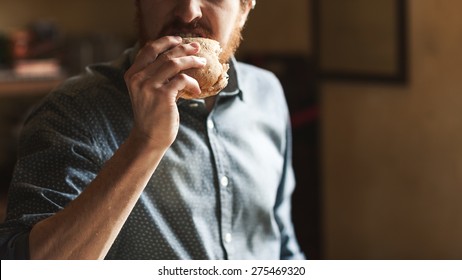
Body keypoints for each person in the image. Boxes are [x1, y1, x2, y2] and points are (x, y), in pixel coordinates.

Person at [0, 0, 305, 260]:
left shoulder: (267, 93)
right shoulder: (70, 111)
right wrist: (146, 143)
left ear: (245, 6)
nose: (188, 13)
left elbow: (280, 241)